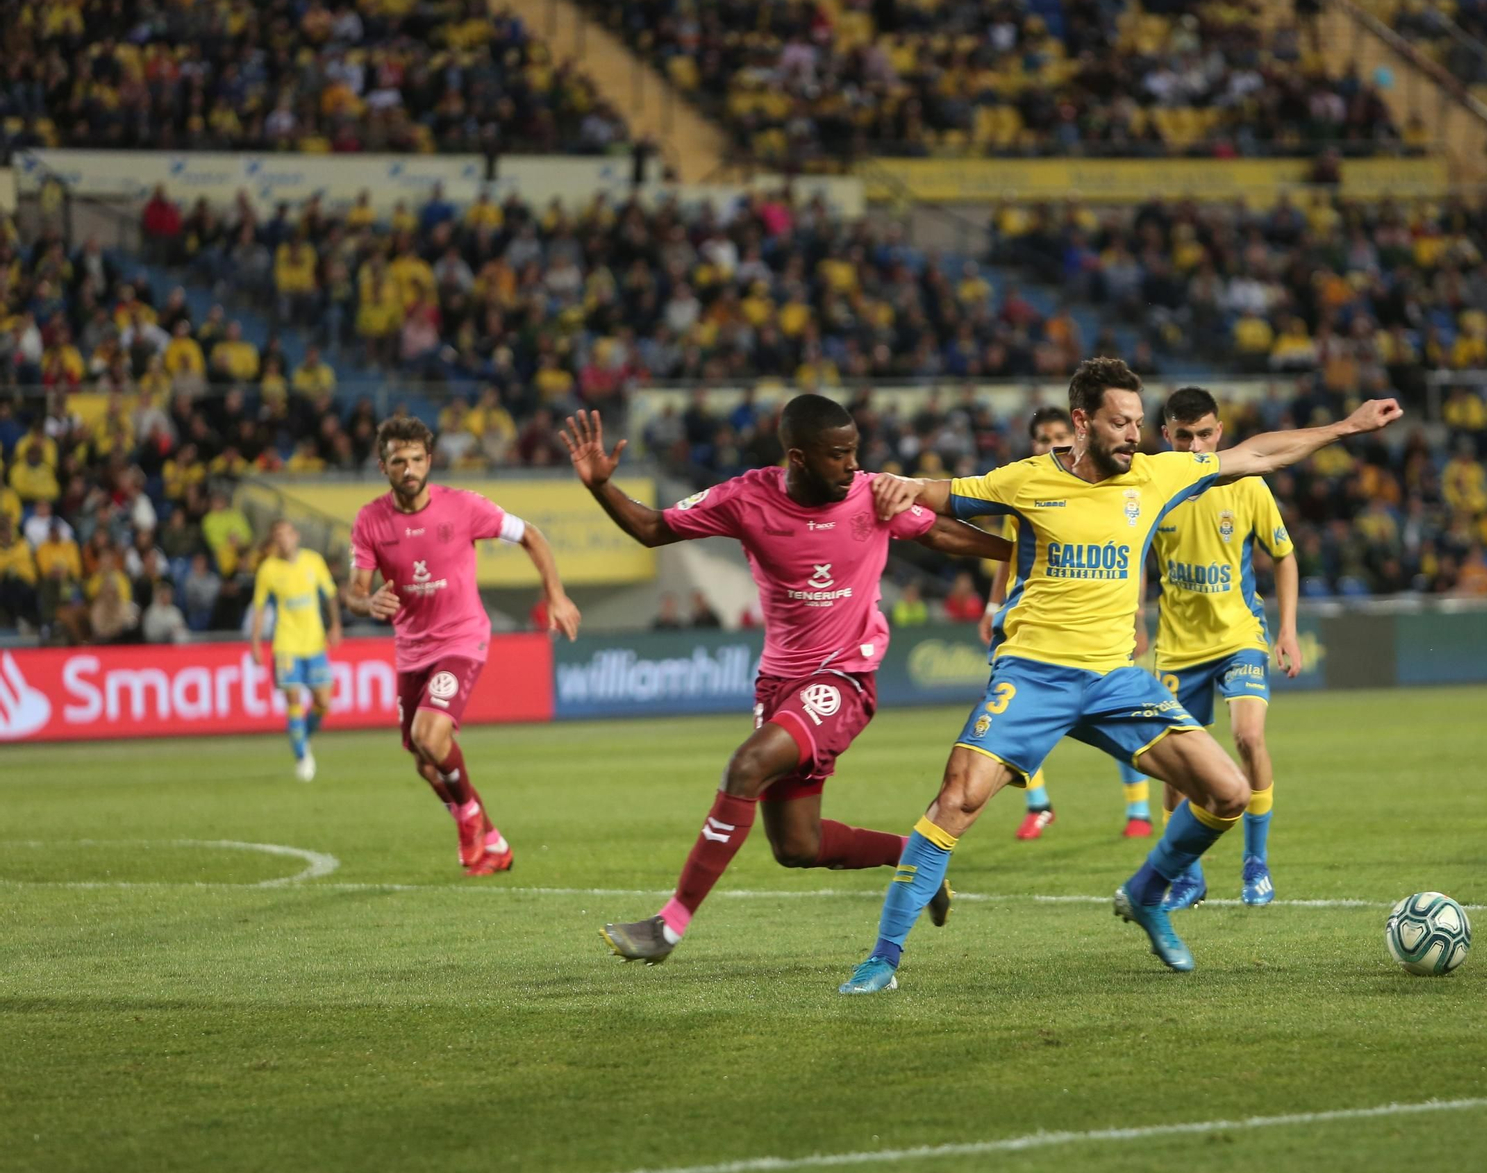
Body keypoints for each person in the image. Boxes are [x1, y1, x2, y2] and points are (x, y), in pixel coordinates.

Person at [841, 358, 1399, 993]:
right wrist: (895, 483)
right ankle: (883, 959)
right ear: (1082, 421)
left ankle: (1147, 893)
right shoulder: (1025, 480)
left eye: (1138, 421)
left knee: (1229, 793)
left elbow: (1258, 455)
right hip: (1034, 675)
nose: (1135, 434)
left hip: (1116, 680)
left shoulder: (1159, 475)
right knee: (956, 801)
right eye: (1120, 422)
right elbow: (937, 494)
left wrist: (1346, 427)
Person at [561, 398, 1015, 964]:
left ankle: (667, 926)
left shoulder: (871, 495)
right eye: (838, 455)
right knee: (798, 847)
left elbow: (940, 535)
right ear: (798, 457)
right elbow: (653, 529)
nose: (853, 466)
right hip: (780, 683)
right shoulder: (745, 498)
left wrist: (1022, 550)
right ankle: (916, 855)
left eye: (855, 452)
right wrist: (601, 487)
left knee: (746, 766)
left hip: (845, 677)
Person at [344, 414, 581, 876]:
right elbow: (352, 590)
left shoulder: (464, 506)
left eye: (416, 459)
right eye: (398, 461)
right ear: (383, 466)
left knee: (428, 736)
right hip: (411, 649)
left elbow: (531, 534)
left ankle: (468, 816)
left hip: (461, 638)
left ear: (430, 460)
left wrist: (554, 594)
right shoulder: (370, 520)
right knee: (425, 764)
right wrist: (365, 601)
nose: (408, 469)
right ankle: (493, 840)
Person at [1150, 387, 1302, 910]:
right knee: (1176, 764)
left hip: (1239, 635)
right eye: (1184, 436)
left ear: (1221, 432)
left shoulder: (1248, 486)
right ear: (1165, 435)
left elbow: (1283, 556)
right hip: (1177, 646)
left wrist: (1287, 631)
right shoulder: (1149, 489)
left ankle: (1255, 864)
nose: (1196, 446)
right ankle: (1185, 874)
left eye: (1206, 434)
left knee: (1247, 736)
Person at [978, 406, 1156, 842]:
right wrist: (991, 607)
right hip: (1034, 629)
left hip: (1100, 627)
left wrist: (1137, 613)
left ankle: (1139, 809)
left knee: (1121, 715)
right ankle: (1038, 805)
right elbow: (1009, 554)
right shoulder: (1026, 489)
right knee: (1012, 720)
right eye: (1041, 438)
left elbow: (1132, 556)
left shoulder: (1112, 486)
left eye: (1057, 435)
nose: (1049, 444)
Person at [250, 520, 340, 781]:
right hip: (286, 645)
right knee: (293, 700)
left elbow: (330, 594)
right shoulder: (267, 569)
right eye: (277, 536)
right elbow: (259, 608)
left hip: (314, 643)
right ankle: (302, 757)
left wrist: (334, 625)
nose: (283, 540)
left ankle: (304, 736)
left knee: (323, 703)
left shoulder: (313, 561)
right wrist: (255, 643)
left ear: (296, 536)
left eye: (286, 535)